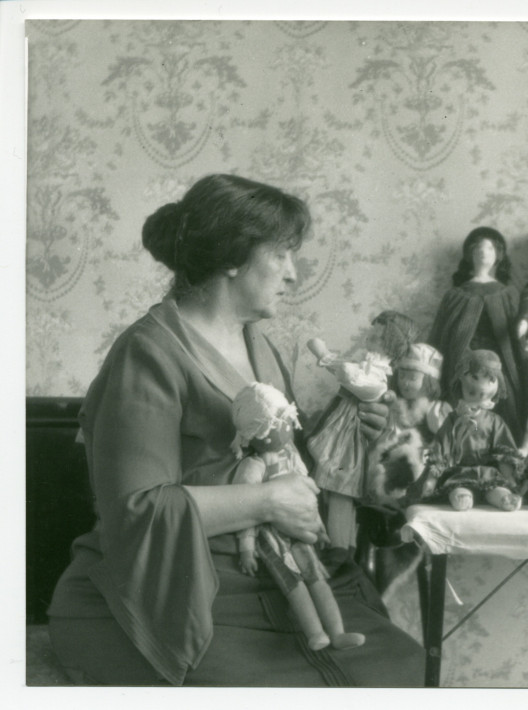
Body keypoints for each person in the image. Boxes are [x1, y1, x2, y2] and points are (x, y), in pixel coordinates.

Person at [46, 174, 424, 687]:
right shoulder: (148, 353)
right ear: (232, 256)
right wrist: (266, 502)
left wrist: (352, 432)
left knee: (399, 664)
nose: (294, 273)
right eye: (283, 254)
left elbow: (282, 466)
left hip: (267, 570)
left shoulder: (261, 344)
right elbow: (135, 511)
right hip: (172, 585)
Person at [428, 226, 528, 441]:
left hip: (500, 363)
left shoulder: (507, 293)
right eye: (478, 249)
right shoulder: (457, 294)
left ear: (498, 256)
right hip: (464, 360)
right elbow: (442, 334)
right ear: (470, 255)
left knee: (505, 400)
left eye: (490, 249)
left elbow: (516, 333)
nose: (484, 254)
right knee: (462, 398)